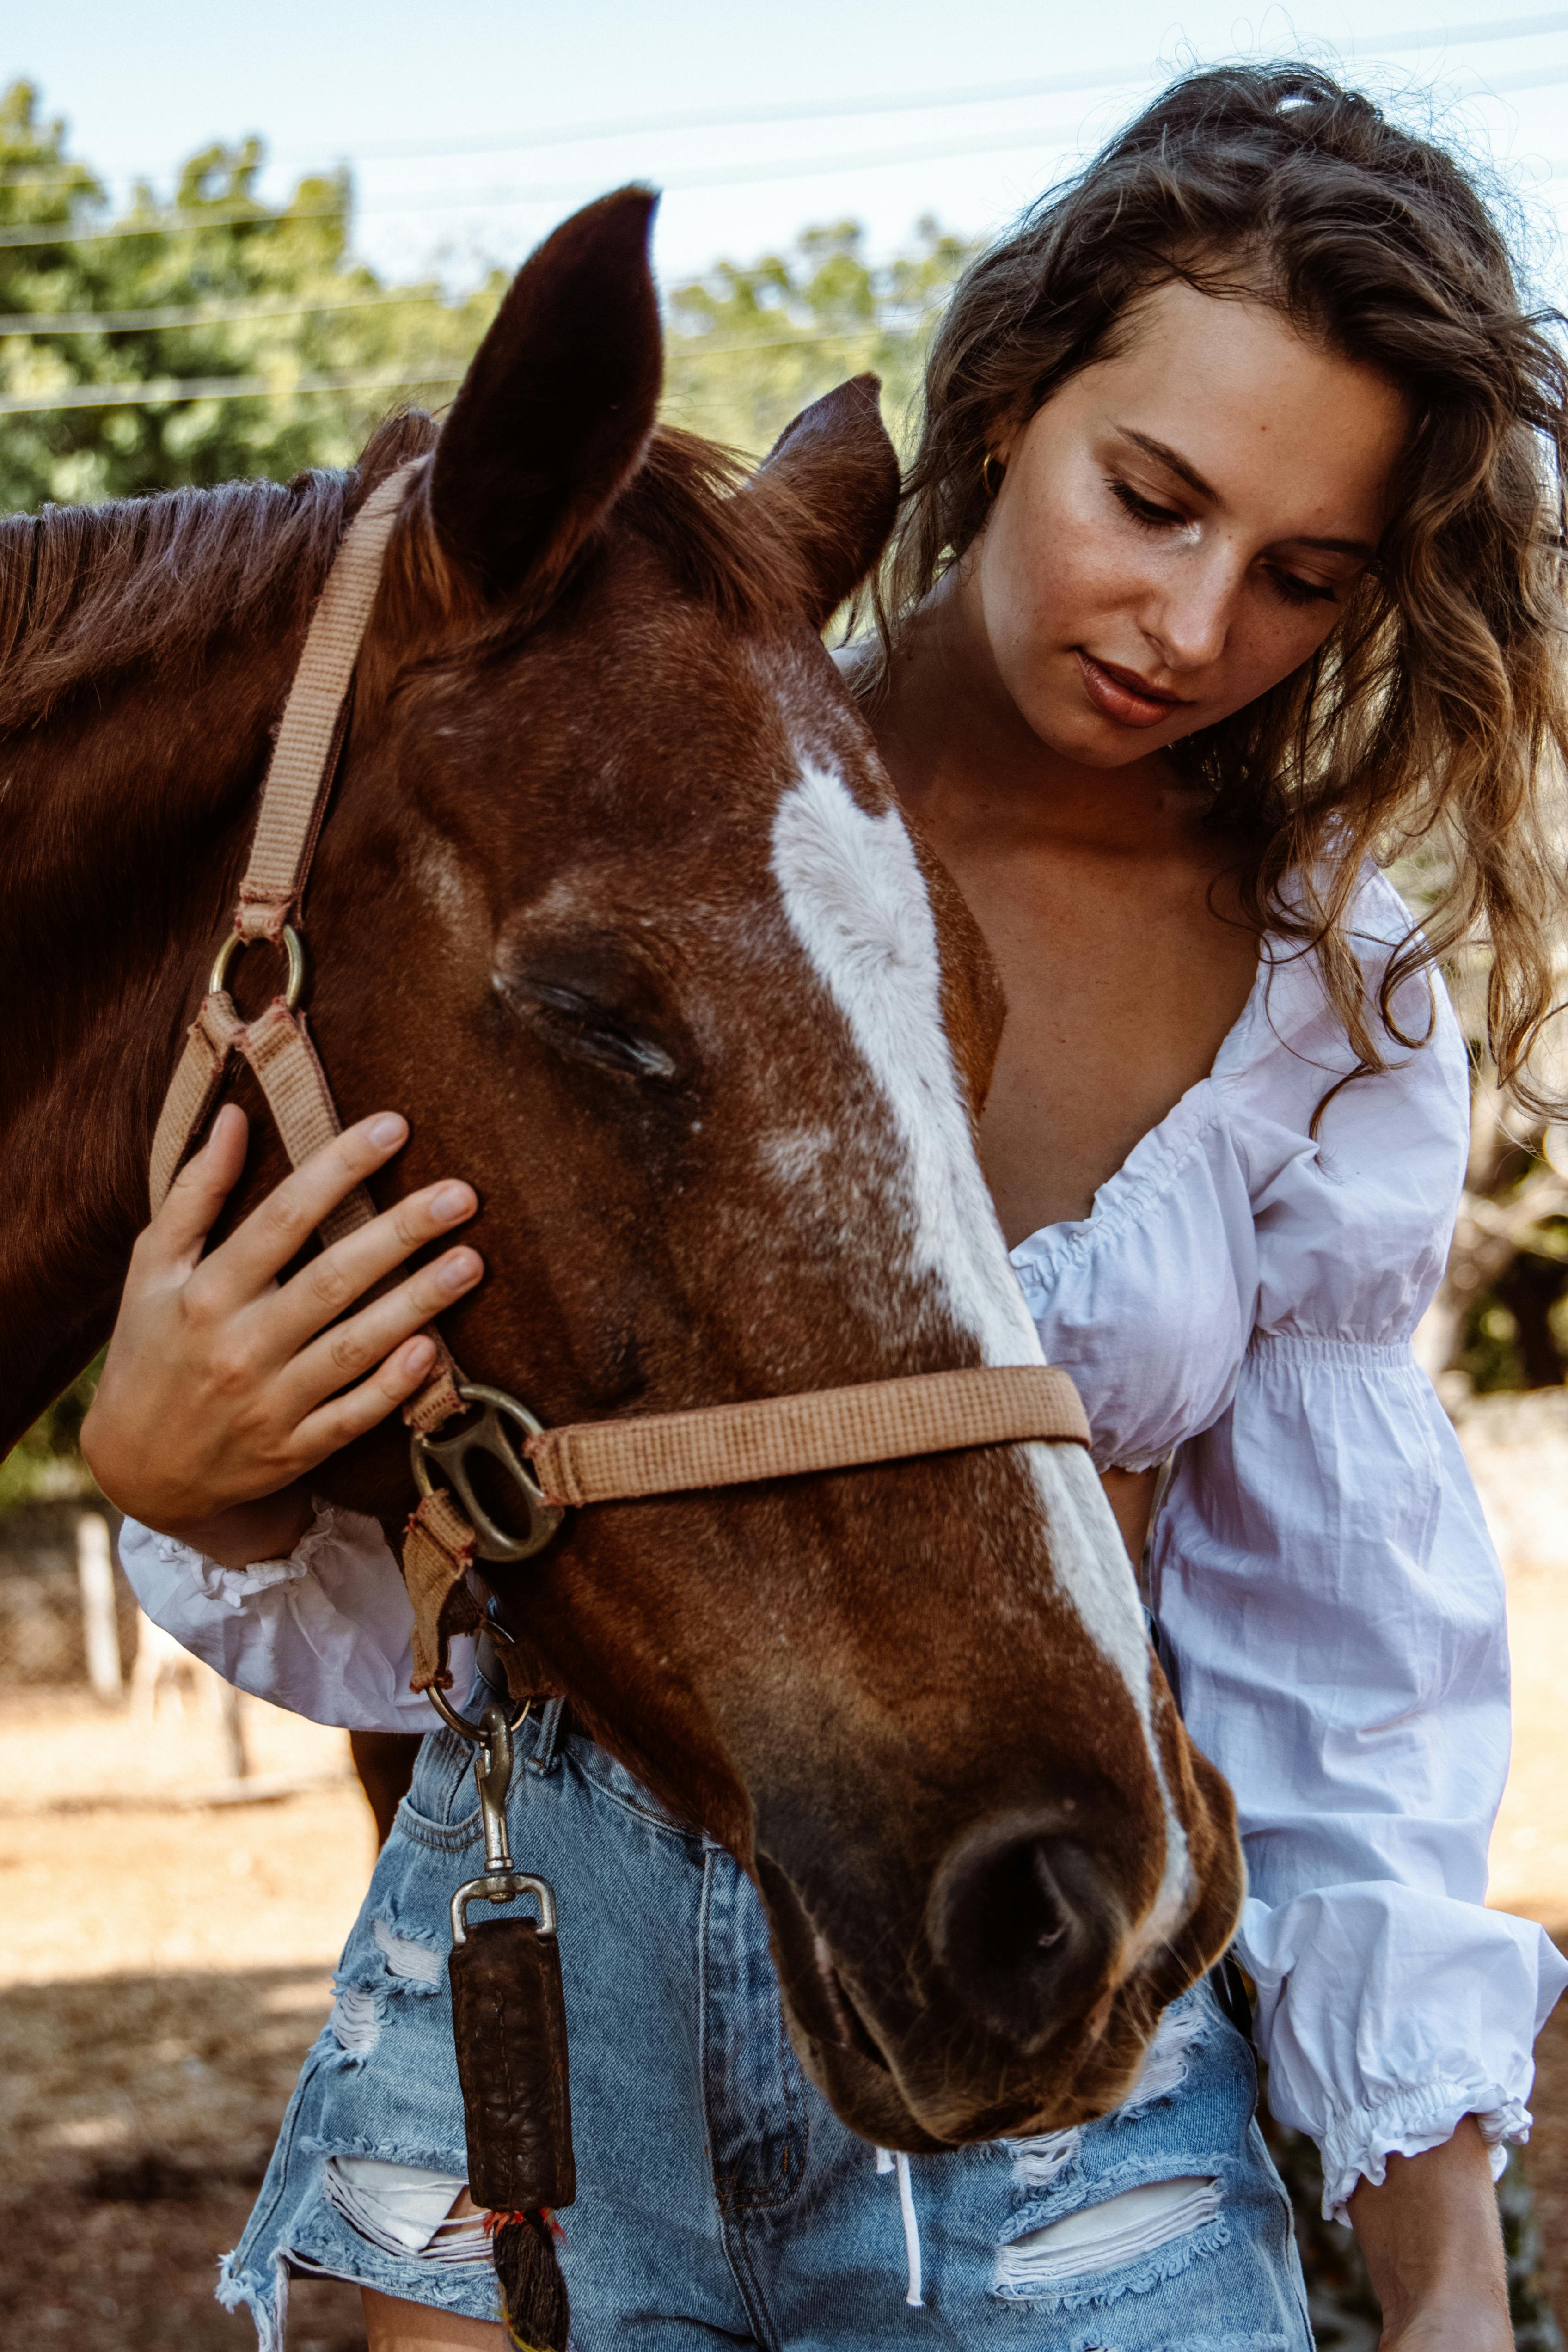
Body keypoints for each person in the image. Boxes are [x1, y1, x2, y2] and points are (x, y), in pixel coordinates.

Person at [87, 62, 1568, 2352]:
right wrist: (189, 1487)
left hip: (1049, 2051)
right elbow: (454, 1574)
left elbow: (1338, 1665)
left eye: (1302, 576)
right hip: (534, 2027)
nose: (1190, 624)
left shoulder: (1318, 997)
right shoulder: (618, 825)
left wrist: (1445, 2272)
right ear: (1001, 406)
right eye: (1148, 498)